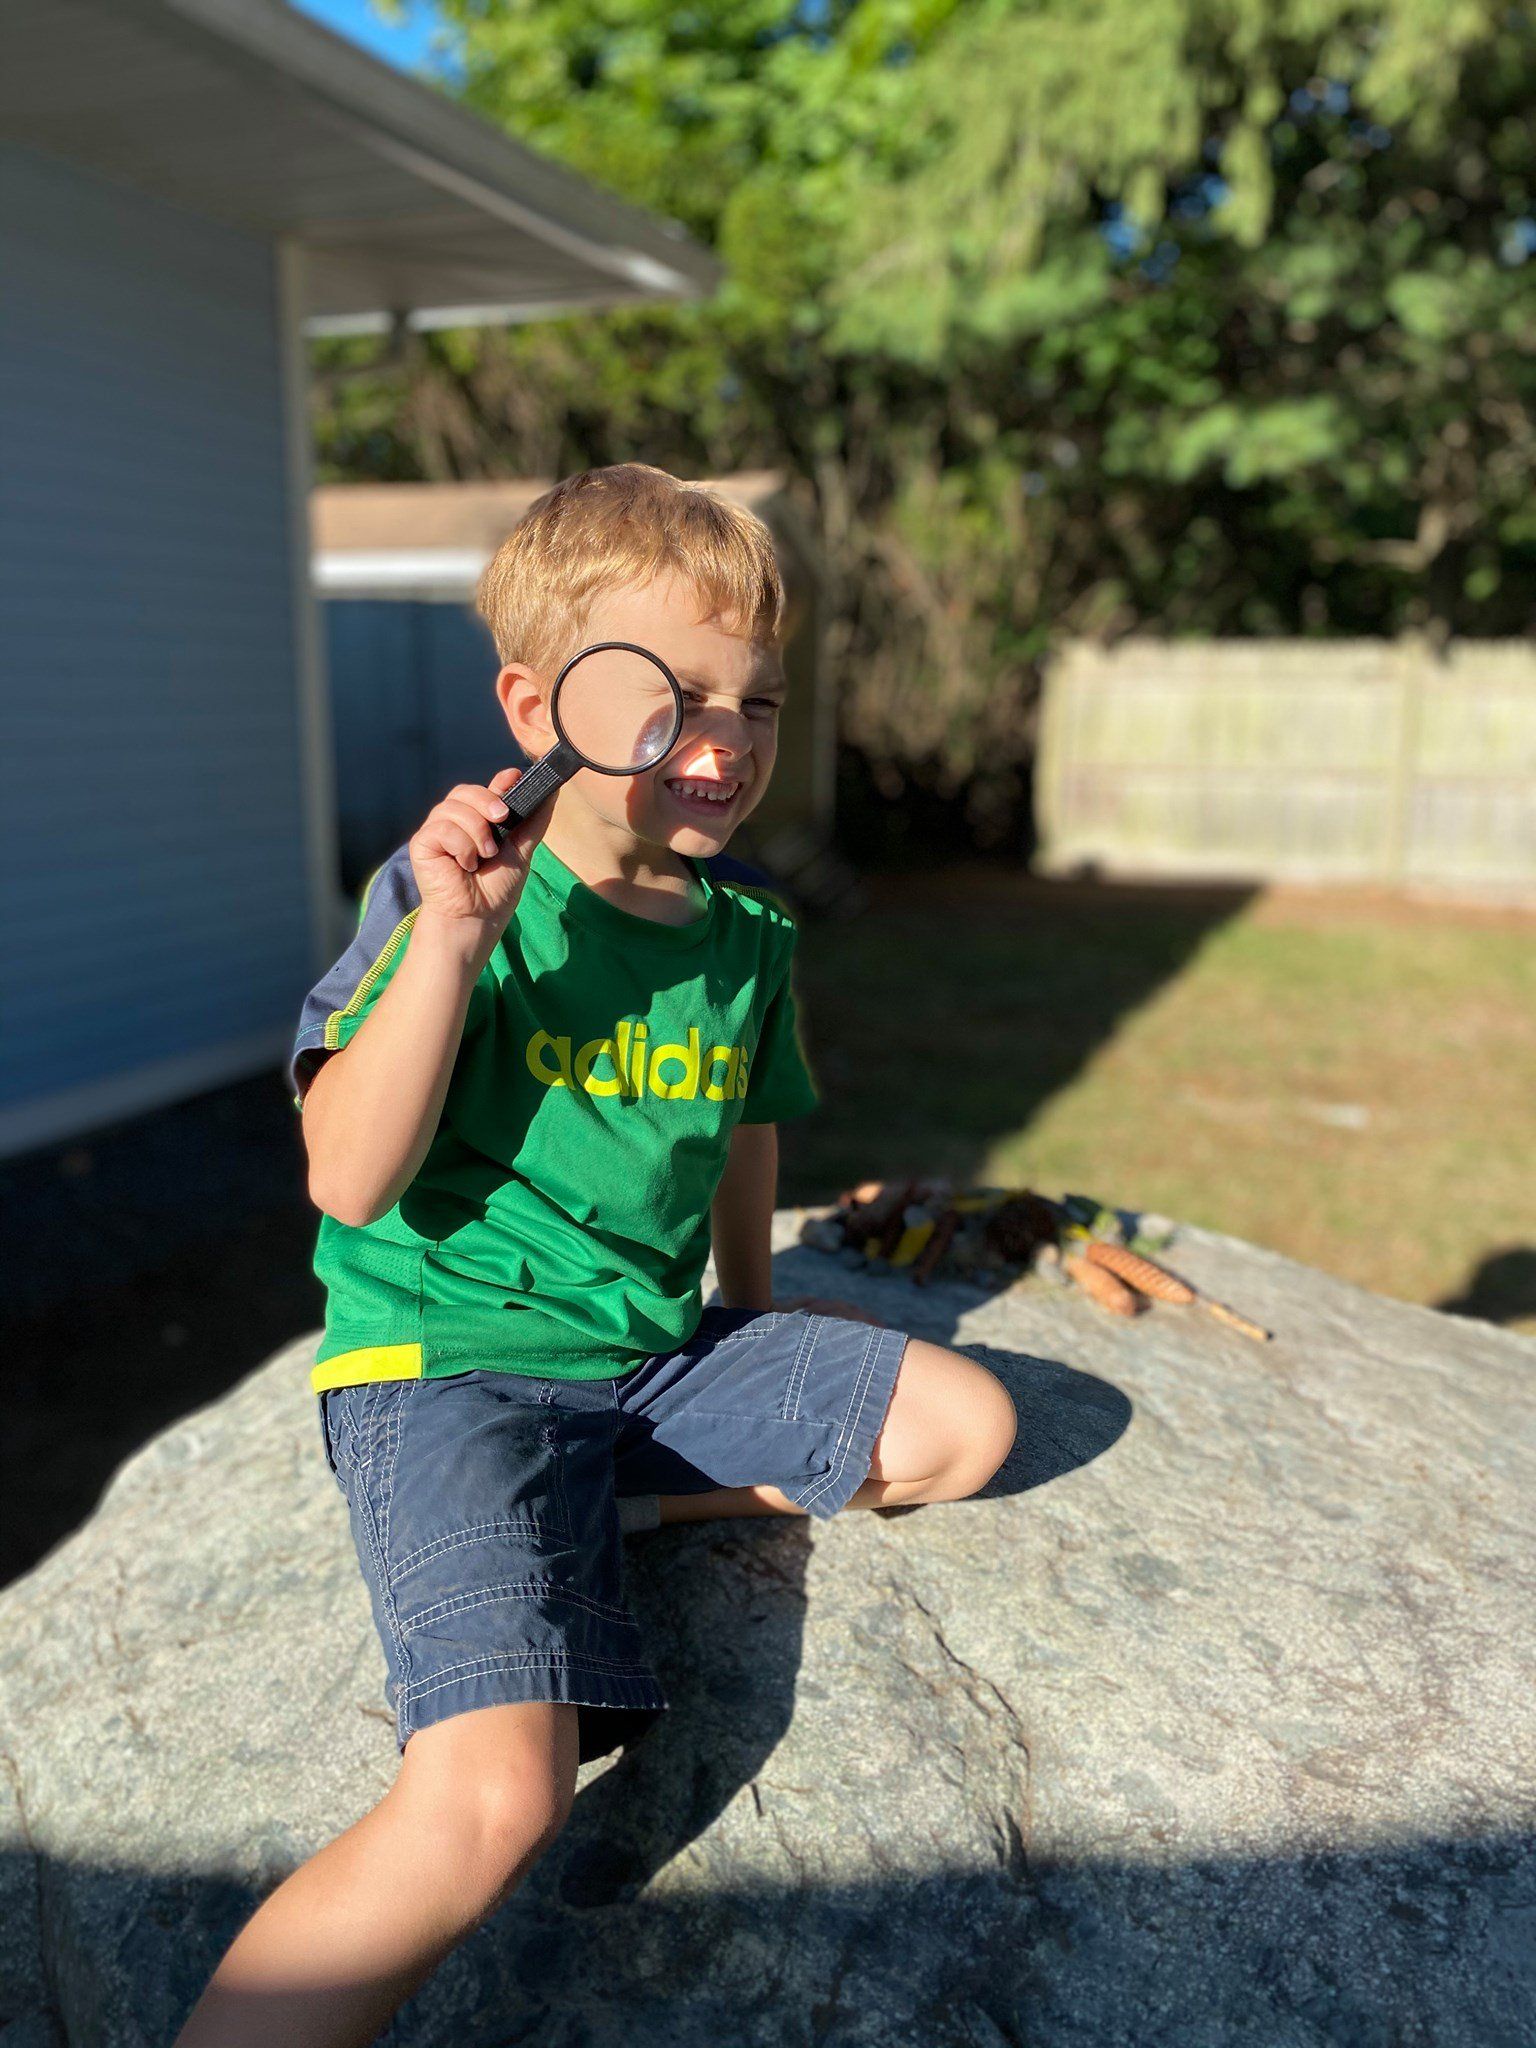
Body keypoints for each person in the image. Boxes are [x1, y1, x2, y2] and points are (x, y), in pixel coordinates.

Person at [173, 462, 1017, 2048]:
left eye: (758, 701)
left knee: (965, 1429)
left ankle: (601, 1495)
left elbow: (744, 1140)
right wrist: (449, 945)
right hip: (455, 1375)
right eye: (675, 697)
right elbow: (348, 1182)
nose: (727, 741)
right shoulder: (457, 897)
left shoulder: (747, 939)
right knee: (497, 1796)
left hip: (642, 1369)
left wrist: (757, 1335)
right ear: (535, 702)